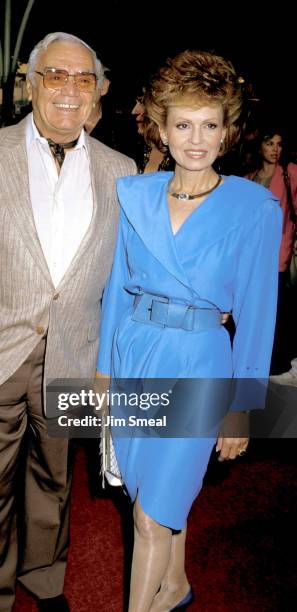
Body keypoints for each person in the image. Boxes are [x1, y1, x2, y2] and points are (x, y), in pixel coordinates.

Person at [0, 32, 136, 612]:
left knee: (54, 484)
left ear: (100, 94)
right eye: (56, 75)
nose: (70, 90)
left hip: (76, 360)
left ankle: (45, 581)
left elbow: (124, 276)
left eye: (83, 79)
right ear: (30, 82)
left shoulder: (123, 171)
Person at [97, 49, 282, 611]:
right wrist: (104, 371)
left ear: (227, 132)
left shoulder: (254, 207)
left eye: (209, 125)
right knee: (145, 492)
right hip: (135, 353)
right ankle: (174, 586)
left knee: (151, 517)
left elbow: (258, 313)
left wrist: (241, 406)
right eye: (183, 124)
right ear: (161, 126)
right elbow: (116, 291)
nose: (195, 139)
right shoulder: (135, 194)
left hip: (201, 362)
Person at [246, 127, 297, 376]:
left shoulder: (290, 173)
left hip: (278, 252)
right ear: (260, 147)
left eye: (279, 144)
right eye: (270, 143)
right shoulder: (250, 178)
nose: (276, 149)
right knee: (253, 308)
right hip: (252, 256)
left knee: (276, 309)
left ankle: (277, 361)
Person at [131, 91, 171, 173]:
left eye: (142, 103)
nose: (134, 111)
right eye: (136, 103)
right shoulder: (134, 147)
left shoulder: (179, 153)